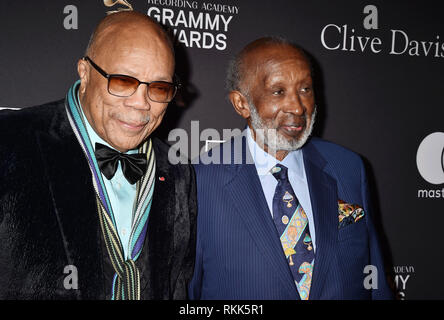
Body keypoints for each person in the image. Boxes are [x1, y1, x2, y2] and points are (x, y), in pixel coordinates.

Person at [0, 11, 196, 300]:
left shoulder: (177, 169)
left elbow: (176, 285)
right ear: (84, 71)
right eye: (123, 81)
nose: (142, 104)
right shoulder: (10, 141)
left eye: (159, 87)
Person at [189, 37, 393, 300]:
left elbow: (375, 283)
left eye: (305, 89)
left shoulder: (348, 167)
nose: (298, 107)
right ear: (241, 104)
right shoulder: (200, 182)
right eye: (278, 91)